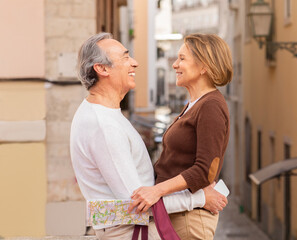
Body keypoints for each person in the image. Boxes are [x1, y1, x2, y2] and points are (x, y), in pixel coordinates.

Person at [70, 32, 227, 240]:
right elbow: (136, 203)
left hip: (158, 225)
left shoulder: (105, 116)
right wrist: (198, 198)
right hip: (134, 231)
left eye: (182, 58)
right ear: (102, 69)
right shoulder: (103, 126)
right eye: (125, 58)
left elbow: (204, 169)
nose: (134, 63)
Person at [129, 33, 233, 239]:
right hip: (179, 213)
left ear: (204, 66)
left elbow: (205, 171)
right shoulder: (195, 104)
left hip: (190, 219)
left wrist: (156, 191)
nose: (175, 64)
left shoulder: (210, 105)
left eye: (182, 58)